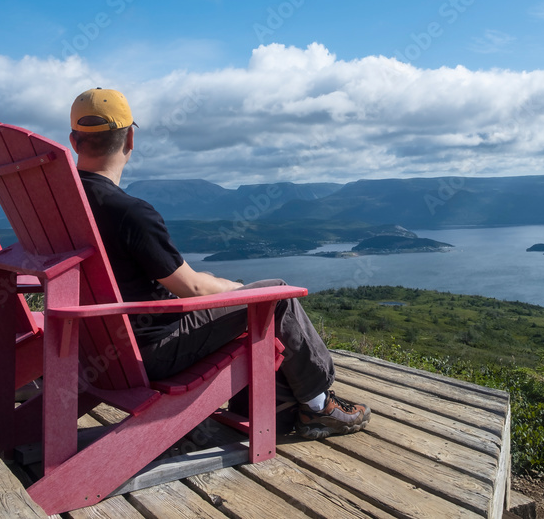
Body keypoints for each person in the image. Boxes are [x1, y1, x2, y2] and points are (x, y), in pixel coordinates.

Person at [68, 87, 369, 439]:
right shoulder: (129, 212)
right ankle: (319, 407)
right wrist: (239, 291)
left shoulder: (59, 206)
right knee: (278, 297)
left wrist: (205, 281)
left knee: (224, 287)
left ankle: (280, 404)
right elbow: (192, 289)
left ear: (75, 141)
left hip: (88, 348)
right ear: (130, 139)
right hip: (148, 352)